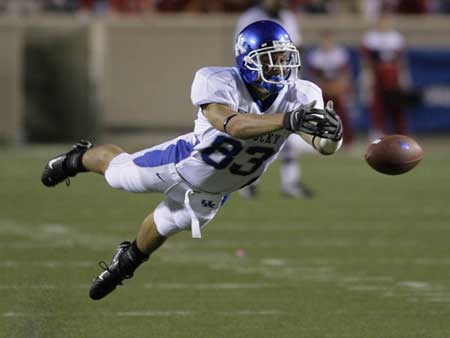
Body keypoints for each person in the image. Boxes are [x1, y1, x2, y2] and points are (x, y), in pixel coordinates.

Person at [41, 20, 343, 301]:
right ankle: (76, 159)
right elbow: (233, 124)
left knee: (167, 222)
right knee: (117, 174)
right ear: (248, 60)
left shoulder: (302, 94)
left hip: (217, 189)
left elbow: (322, 145)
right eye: (271, 59)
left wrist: (332, 136)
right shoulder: (218, 80)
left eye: (282, 58)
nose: (279, 67)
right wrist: (288, 120)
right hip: (181, 162)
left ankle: (126, 263)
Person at [235, 0, 313, 199]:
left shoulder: (287, 16)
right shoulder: (249, 18)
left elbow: (297, 48)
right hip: (258, 84)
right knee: (256, 134)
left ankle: (290, 182)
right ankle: (247, 182)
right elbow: (243, 54)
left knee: (288, 134)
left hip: (284, 80)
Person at [361, 13, 411, 140]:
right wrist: (367, 76)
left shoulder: (396, 38)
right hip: (377, 76)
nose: (384, 24)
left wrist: (403, 77)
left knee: (396, 105)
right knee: (377, 105)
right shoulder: (370, 38)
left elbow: (401, 61)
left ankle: (401, 133)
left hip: (393, 78)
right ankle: (377, 131)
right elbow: (366, 61)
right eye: (382, 21)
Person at [307, 29, 354, 146]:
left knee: (342, 114)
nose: (327, 42)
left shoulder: (340, 53)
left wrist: (339, 87)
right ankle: (320, 140)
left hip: (337, 87)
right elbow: (314, 76)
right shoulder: (315, 55)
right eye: (325, 40)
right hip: (323, 87)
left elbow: (345, 74)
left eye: (329, 40)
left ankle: (347, 141)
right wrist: (325, 88)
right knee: (319, 114)